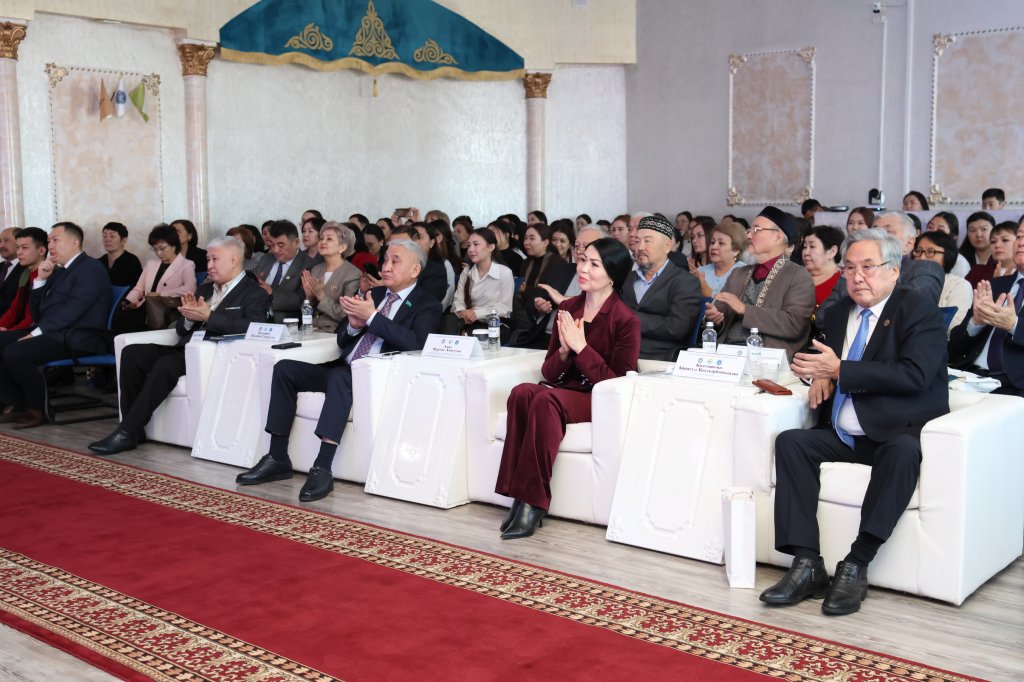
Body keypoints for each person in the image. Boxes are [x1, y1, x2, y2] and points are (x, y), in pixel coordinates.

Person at [763, 228, 948, 616]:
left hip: (895, 431)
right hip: (844, 433)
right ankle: (807, 563)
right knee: (791, 442)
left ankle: (857, 562)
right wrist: (821, 377)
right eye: (849, 268)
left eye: (868, 267)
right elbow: (822, 362)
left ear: (894, 270)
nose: (857, 276)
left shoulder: (919, 311)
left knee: (902, 452)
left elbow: (914, 374)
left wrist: (839, 370)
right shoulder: (836, 313)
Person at [235, 240, 442, 501]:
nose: (386, 267)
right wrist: (354, 325)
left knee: (341, 377)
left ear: (415, 270)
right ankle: (277, 457)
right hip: (343, 369)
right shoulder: (376, 295)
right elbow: (343, 339)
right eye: (385, 260)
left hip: (378, 378)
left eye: (395, 261)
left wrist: (373, 318)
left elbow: (416, 343)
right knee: (285, 369)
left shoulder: (427, 304)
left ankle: (322, 467)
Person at [495, 237, 640, 540]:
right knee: (522, 393)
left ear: (612, 275)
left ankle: (534, 502)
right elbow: (549, 372)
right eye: (582, 260)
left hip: (597, 397)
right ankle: (518, 495)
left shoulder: (625, 320)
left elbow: (617, 383)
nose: (583, 269)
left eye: (594, 264)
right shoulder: (569, 307)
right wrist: (563, 352)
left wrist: (581, 348)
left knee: (546, 399)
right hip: (563, 391)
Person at [87, 237, 269, 454]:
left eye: (215, 259)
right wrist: (190, 318)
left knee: (166, 365)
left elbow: (253, 328)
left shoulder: (254, 293)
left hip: (215, 354)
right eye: (208, 259)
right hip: (186, 348)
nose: (209, 265)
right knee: (132, 353)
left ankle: (126, 432)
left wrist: (209, 317)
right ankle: (134, 430)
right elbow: (181, 330)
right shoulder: (205, 289)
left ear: (234, 260)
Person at [0, 223, 111, 428]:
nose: (50, 245)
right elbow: (38, 313)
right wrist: (40, 281)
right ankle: (17, 403)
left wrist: (36, 333)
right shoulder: (60, 271)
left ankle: (37, 409)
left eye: (55, 240)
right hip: (55, 332)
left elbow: (72, 311)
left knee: (16, 352)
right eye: (49, 240)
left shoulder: (91, 269)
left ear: (74, 243)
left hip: (78, 337)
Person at [704, 207, 815, 360]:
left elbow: (795, 325)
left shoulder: (798, 275)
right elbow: (719, 317)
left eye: (756, 229)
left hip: (768, 359)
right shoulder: (738, 274)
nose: (749, 235)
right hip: (727, 354)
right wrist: (715, 319)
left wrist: (745, 310)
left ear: (777, 237)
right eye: (749, 230)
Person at [817, 211, 944, 328]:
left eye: (888, 232)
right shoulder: (852, 271)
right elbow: (823, 316)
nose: (878, 238)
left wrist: (863, 298)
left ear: (909, 243)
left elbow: (911, 309)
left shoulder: (925, 269)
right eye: (874, 232)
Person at [948, 222, 1024, 397]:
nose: (1021, 242)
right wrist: (976, 323)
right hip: (970, 375)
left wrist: (1014, 325)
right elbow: (956, 345)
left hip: (1014, 385)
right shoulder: (994, 285)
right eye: (1019, 236)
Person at [621, 216, 701, 360]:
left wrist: (630, 319)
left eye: (647, 241)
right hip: (620, 353)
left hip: (658, 359)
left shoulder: (685, 281)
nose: (640, 247)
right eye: (637, 241)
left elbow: (677, 328)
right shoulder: (628, 278)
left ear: (667, 246)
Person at [508, 223, 576, 348]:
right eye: (525, 238)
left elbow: (552, 294)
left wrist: (526, 290)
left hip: (544, 313)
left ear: (545, 242)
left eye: (532, 238)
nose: (526, 242)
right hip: (527, 308)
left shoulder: (558, 263)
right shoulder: (525, 262)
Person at [119, 225, 198, 332]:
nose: (158, 253)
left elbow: (190, 289)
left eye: (162, 248)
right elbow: (138, 289)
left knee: (128, 323)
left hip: (166, 310)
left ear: (174, 245)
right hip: (145, 308)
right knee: (120, 317)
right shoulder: (151, 264)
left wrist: (159, 294)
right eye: (155, 249)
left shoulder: (186, 264)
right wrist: (128, 301)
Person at [448, 228, 514, 337]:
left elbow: (504, 308)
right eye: (469, 245)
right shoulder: (467, 271)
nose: (471, 249)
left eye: (476, 244)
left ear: (491, 247)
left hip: (494, 326)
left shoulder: (504, 273)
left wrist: (477, 313)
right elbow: (458, 300)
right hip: (467, 323)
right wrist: (462, 312)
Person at [299, 222, 362, 332]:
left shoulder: (353, 274)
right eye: (321, 238)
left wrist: (321, 295)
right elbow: (305, 312)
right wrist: (309, 298)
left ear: (342, 247)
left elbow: (346, 314)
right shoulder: (316, 270)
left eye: (329, 239)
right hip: (309, 329)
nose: (322, 242)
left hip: (333, 331)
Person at [252, 219, 316, 322]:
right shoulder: (266, 259)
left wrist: (271, 292)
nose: (275, 250)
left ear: (296, 243)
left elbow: (303, 299)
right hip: (256, 318)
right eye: (272, 244)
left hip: (285, 323)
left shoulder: (309, 265)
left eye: (281, 245)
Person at [911, 231, 972, 335]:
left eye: (930, 252)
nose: (921, 257)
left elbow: (955, 326)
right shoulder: (903, 281)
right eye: (918, 251)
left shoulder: (959, 285)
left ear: (947, 256)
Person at [0, 228, 48, 335]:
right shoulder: (26, 274)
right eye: (18, 248)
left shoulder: (49, 274)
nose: (19, 252)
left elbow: (33, 318)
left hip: (37, 331)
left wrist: (9, 332)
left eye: (24, 248)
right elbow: (15, 309)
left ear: (41, 251)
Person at [692, 222, 744, 297]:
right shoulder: (701, 271)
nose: (713, 247)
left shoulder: (744, 273)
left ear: (736, 250)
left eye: (721, 243)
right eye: (712, 242)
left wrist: (708, 292)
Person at [802, 226, 844, 309]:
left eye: (812, 246)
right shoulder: (796, 278)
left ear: (832, 251)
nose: (806, 253)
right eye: (805, 247)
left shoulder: (845, 282)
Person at [96, 222, 143, 288]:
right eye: (104, 236)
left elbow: (138, 289)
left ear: (123, 240)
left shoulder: (132, 262)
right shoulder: (99, 262)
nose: (107, 239)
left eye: (112, 236)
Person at [924, 211, 971, 277]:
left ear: (953, 236)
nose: (933, 233)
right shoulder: (919, 255)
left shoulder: (959, 262)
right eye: (930, 227)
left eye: (940, 230)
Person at [961, 211, 996, 287]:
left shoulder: (1001, 258)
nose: (978, 235)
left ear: (994, 231)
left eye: (984, 229)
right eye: (972, 230)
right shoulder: (960, 259)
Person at [0, 227, 25, 315]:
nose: (1, 245)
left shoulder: (28, 268)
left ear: (20, 242)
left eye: (6, 240)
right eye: (0, 241)